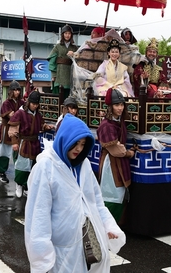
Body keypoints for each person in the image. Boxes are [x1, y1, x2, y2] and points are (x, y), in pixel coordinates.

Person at [25, 114, 126, 273]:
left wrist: (108, 226)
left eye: (83, 144)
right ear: (64, 139)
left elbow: (96, 202)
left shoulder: (83, 165)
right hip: (60, 249)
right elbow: (38, 215)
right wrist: (42, 256)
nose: (79, 149)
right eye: (75, 143)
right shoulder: (45, 168)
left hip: (85, 244)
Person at [97, 88, 135, 223]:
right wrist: (129, 153)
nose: (120, 108)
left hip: (119, 162)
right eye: (116, 105)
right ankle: (103, 227)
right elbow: (115, 149)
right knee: (111, 195)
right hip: (111, 164)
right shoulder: (106, 125)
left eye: (121, 104)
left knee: (119, 195)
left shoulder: (119, 121)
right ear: (110, 106)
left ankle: (112, 228)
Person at [8, 91, 53, 198]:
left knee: (33, 167)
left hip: (34, 143)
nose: (35, 106)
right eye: (33, 104)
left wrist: (46, 127)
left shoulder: (38, 114)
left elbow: (41, 125)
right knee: (22, 166)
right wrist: (14, 142)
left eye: (36, 104)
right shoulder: (20, 113)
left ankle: (27, 186)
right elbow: (13, 129)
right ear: (28, 103)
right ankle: (19, 184)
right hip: (24, 143)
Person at [0, 80, 24, 184]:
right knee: (4, 151)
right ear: (11, 91)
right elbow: (11, 116)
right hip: (7, 129)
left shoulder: (22, 102)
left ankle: (20, 173)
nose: (17, 92)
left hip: (18, 130)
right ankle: (2, 172)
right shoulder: (6, 103)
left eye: (18, 90)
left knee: (18, 151)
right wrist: (20, 114)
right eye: (15, 90)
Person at [48, 24, 78, 98]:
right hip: (59, 74)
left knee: (69, 96)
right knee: (58, 96)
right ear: (62, 34)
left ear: (71, 35)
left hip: (70, 74)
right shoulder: (57, 47)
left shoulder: (74, 48)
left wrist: (74, 54)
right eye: (65, 33)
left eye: (69, 33)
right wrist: (53, 75)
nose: (67, 35)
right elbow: (52, 62)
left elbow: (79, 60)